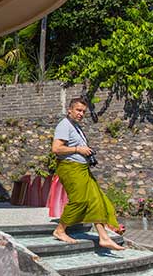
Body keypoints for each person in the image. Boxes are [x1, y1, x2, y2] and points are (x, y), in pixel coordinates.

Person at [51, 97, 124, 250]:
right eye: (78, 110)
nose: (81, 114)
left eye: (83, 111)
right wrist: (78, 149)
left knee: (96, 199)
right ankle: (60, 230)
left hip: (82, 169)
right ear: (69, 110)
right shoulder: (64, 125)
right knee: (79, 200)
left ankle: (104, 238)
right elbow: (56, 149)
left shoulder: (75, 126)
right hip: (70, 168)